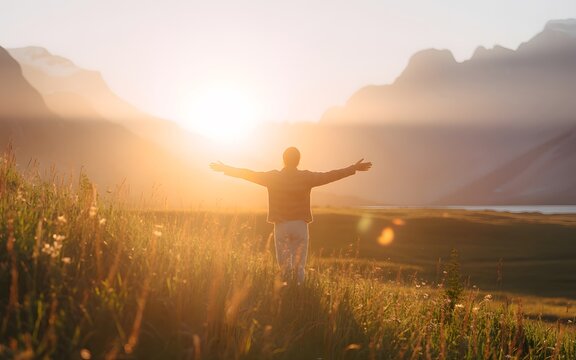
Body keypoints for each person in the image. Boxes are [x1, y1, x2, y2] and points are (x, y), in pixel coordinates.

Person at [210, 147, 372, 284]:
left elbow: (248, 174)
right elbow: (329, 175)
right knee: (299, 267)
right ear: (298, 160)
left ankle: (287, 296)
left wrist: (227, 169)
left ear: (283, 159)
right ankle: (299, 294)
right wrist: (353, 168)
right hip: (300, 226)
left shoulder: (273, 177)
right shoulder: (306, 177)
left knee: (285, 267)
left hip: (281, 226)